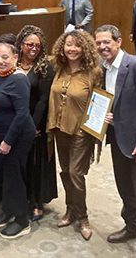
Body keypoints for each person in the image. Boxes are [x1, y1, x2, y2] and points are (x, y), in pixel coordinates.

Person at [95, 25, 136, 258]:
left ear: (119, 41)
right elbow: (117, 100)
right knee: (125, 188)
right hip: (119, 139)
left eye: (106, 42)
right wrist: (109, 114)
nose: (102, 47)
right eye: (99, 43)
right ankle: (132, 227)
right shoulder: (105, 68)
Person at [47, 30, 102, 241]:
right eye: (68, 44)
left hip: (81, 130)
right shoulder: (58, 67)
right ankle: (70, 210)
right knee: (65, 170)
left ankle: (83, 217)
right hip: (59, 127)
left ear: (85, 48)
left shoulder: (94, 72)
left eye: (77, 45)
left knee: (76, 174)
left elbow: (100, 102)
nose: (72, 49)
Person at [0, 42, 36, 239]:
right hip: (1, 134)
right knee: (6, 175)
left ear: (15, 57)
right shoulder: (1, 76)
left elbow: (22, 114)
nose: (0, 61)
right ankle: (9, 209)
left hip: (17, 136)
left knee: (14, 176)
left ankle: (22, 221)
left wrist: (7, 141)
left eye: (5, 57)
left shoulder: (18, 79)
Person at [15, 25, 57, 221]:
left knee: (36, 164)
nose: (33, 48)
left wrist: (33, 127)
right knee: (20, 163)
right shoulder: (13, 64)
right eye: (29, 44)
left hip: (35, 124)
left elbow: (43, 100)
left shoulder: (44, 67)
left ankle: (37, 202)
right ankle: (21, 198)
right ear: (21, 45)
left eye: (38, 46)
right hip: (16, 122)